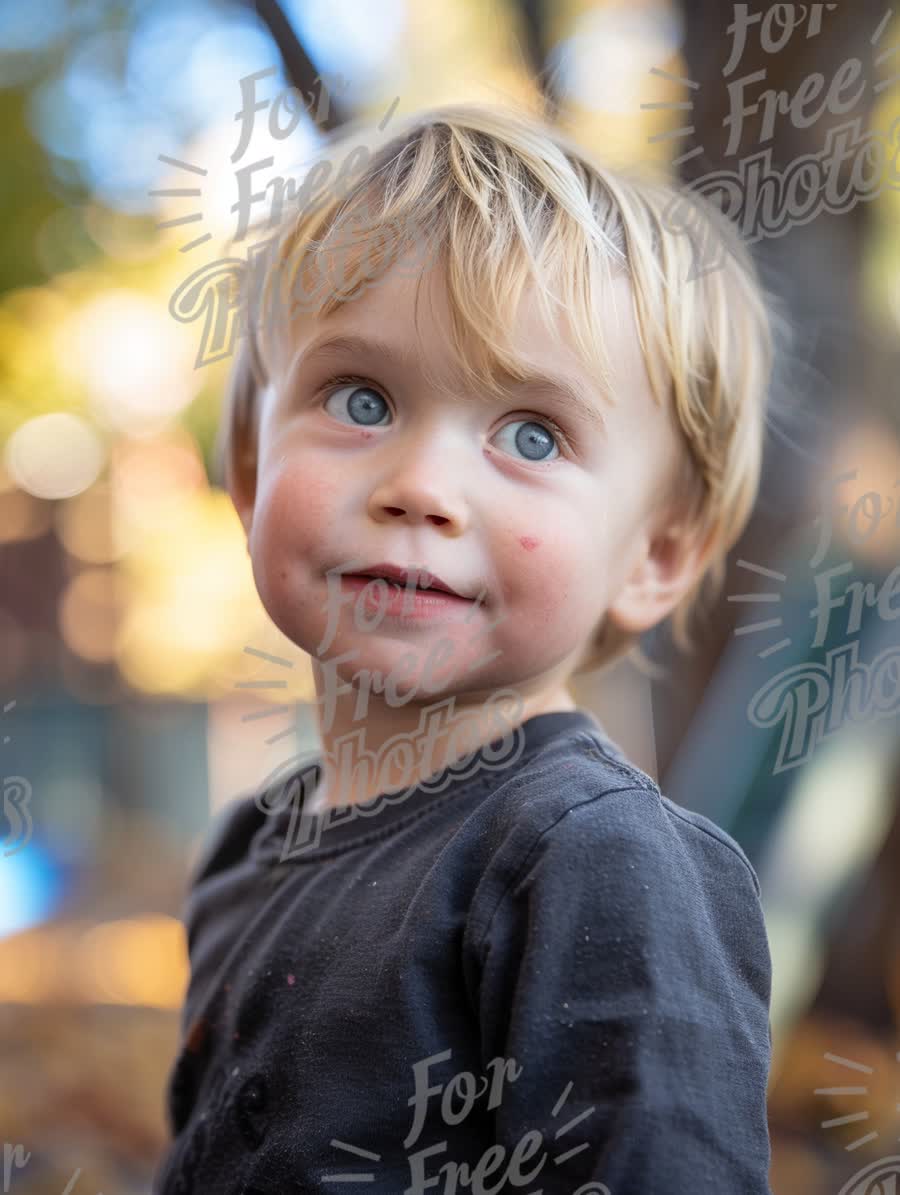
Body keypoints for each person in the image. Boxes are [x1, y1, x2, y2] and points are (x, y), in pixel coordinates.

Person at [153, 100, 776, 1194]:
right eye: (362, 398)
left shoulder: (594, 862)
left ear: (656, 553)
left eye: (532, 434)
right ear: (251, 475)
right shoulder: (247, 852)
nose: (421, 487)